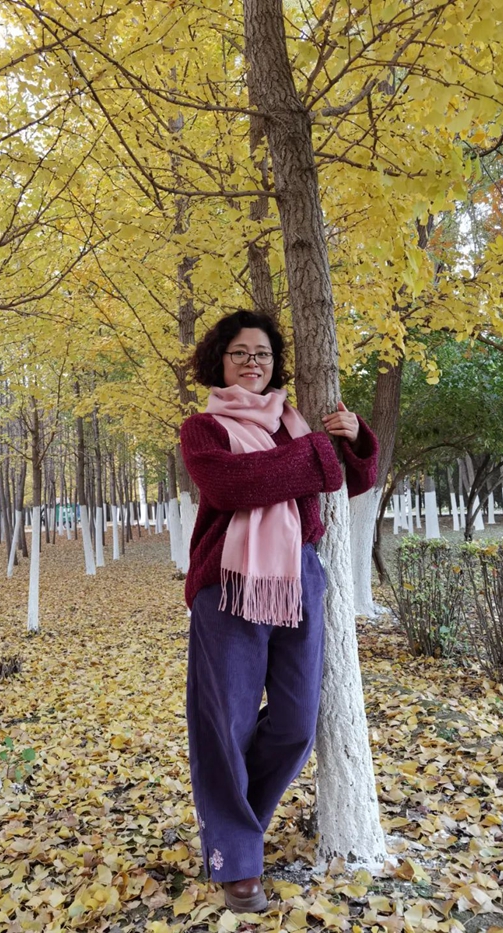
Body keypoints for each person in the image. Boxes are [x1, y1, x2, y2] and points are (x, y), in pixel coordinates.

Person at [179, 310, 378, 913]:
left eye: (262, 354)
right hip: (228, 587)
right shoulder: (203, 429)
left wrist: (354, 439)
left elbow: (351, 481)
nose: (252, 363)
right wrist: (317, 454)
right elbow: (232, 486)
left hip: (298, 578)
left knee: (295, 723)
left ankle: (236, 827)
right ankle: (237, 858)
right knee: (227, 725)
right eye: (240, 353)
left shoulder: (294, 423)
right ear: (219, 362)